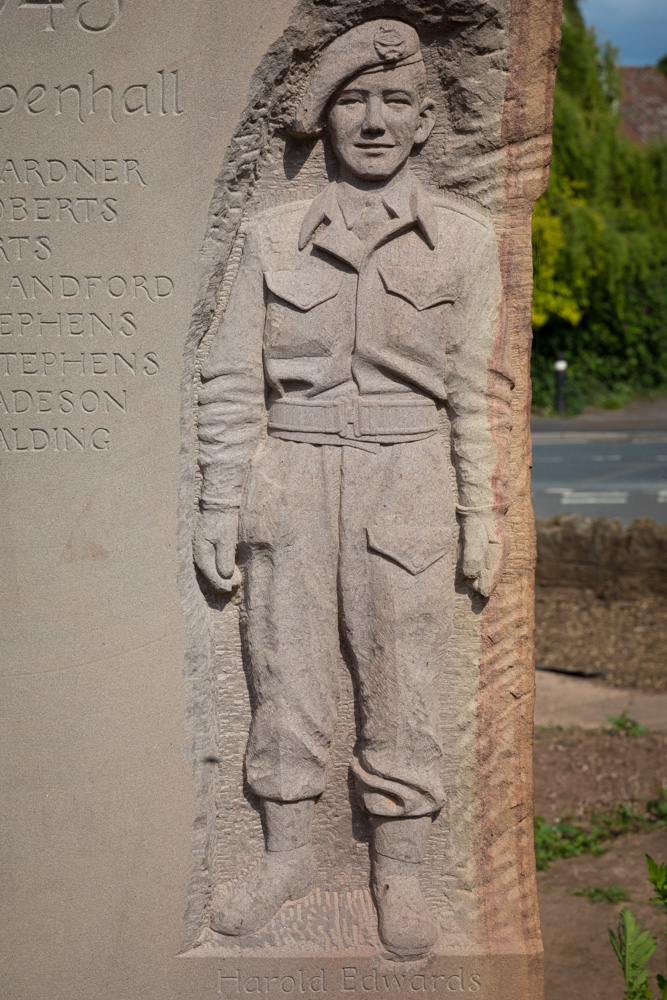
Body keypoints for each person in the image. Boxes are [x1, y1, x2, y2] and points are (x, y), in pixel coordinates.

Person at [194, 18, 511, 959]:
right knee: (282, 671)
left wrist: (475, 512)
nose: (373, 120)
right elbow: (226, 378)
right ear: (326, 117)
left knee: (402, 677)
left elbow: (477, 389)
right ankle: (287, 852)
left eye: (395, 103)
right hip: (288, 478)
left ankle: (401, 869)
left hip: (405, 478)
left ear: (423, 125)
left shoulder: (462, 239)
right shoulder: (268, 233)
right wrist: (218, 500)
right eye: (352, 100)